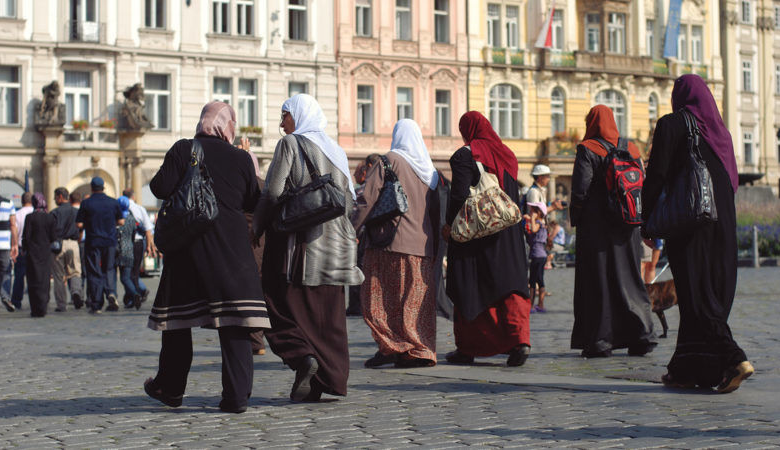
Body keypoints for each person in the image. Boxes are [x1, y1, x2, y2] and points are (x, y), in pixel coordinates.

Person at [145, 101, 269, 414]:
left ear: (203, 122)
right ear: (229, 126)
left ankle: (170, 388)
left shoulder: (183, 148)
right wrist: (243, 161)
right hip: (231, 249)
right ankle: (236, 397)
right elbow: (254, 201)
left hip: (188, 247)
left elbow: (159, 187)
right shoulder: (240, 158)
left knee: (178, 322)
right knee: (236, 322)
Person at [643, 74, 754, 393]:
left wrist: (648, 222)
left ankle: (734, 358)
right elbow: (730, 182)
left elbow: (657, 177)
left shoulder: (672, 125)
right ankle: (688, 368)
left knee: (696, 295)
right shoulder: (722, 133)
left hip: (691, 224)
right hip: (723, 227)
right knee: (705, 296)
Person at [255, 93, 363, 402]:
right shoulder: (337, 151)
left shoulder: (291, 144)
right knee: (327, 318)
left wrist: (257, 227)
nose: (281, 123)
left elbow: (272, 192)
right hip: (338, 248)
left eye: (284, 115)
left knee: (273, 304)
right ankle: (326, 381)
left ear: (298, 116)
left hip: (302, 248)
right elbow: (348, 201)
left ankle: (302, 357)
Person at [441, 111, 532, 367]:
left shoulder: (464, 155)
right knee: (510, 285)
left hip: (477, 233)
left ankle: (470, 347)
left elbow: (458, 196)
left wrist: (450, 226)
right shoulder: (507, 155)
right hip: (508, 234)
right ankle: (519, 341)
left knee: (472, 285)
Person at [569, 105, 657, 358]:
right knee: (630, 278)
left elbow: (580, 190)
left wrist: (576, 218)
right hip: (628, 225)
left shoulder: (588, 149)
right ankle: (641, 336)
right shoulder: (631, 148)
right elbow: (642, 181)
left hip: (597, 228)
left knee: (599, 281)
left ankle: (601, 340)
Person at [353, 119, 441, 369]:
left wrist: (351, 228)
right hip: (422, 246)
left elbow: (367, 199)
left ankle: (391, 346)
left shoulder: (387, 160)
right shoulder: (429, 170)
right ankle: (419, 349)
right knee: (415, 301)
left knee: (378, 298)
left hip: (388, 242)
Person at [76, 177, 124, 314]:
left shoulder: (86, 203)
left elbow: (79, 224)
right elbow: (121, 221)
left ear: (91, 188)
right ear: (103, 187)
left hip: (93, 241)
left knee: (94, 271)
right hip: (110, 241)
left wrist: (89, 224)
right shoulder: (113, 202)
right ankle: (111, 292)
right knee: (109, 268)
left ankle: (96, 303)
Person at [347, 153, 382, 317]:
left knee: (359, 270)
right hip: (379, 237)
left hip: (363, 237)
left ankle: (357, 306)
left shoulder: (365, 190)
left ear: (368, 169)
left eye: (356, 172)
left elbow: (360, 209)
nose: (354, 176)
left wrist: (352, 231)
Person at [22, 193, 56, 317]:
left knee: (33, 280)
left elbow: (26, 236)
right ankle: (43, 307)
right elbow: (53, 237)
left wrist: (25, 249)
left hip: (32, 253)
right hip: (45, 253)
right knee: (44, 279)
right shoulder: (50, 217)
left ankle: (35, 308)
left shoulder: (30, 217)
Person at [50, 187, 84, 310]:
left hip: (58, 245)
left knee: (58, 276)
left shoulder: (54, 213)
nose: (54, 199)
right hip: (73, 243)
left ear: (60, 196)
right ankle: (76, 292)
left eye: (55, 197)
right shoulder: (76, 211)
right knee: (75, 272)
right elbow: (81, 228)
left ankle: (61, 304)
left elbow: (50, 231)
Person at [122, 188, 157, 305]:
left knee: (125, 273)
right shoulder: (139, 208)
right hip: (138, 243)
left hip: (124, 243)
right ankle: (134, 294)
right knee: (135, 272)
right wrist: (150, 246)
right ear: (134, 196)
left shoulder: (120, 206)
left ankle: (132, 296)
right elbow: (148, 229)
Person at [116, 196, 142, 310]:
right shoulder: (131, 218)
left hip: (121, 249)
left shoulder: (118, 218)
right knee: (128, 275)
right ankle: (130, 299)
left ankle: (135, 293)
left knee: (124, 278)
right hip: (130, 248)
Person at [524, 202, 548, 313]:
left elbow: (533, 229)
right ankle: (541, 304)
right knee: (540, 280)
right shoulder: (542, 224)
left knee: (533, 281)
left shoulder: (538, 223)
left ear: (538, 213)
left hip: (537, 256)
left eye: (533, 210)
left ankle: (531, 306)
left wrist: (532, 219)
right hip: (541, 255)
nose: (531, 212)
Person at [10, 192, 31, 309]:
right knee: (34, 275)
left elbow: (15, 232)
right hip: (34, 249)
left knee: (19, 276)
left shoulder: (17, 214)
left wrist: (14, 246)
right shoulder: (37, 212)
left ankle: (17, 301)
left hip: (21, 247)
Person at [0, 194, 19, 313]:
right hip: (5, 244)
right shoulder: (9, 203)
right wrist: (15, 244)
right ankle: (5, 296)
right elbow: (13, 225)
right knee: (6, 271)